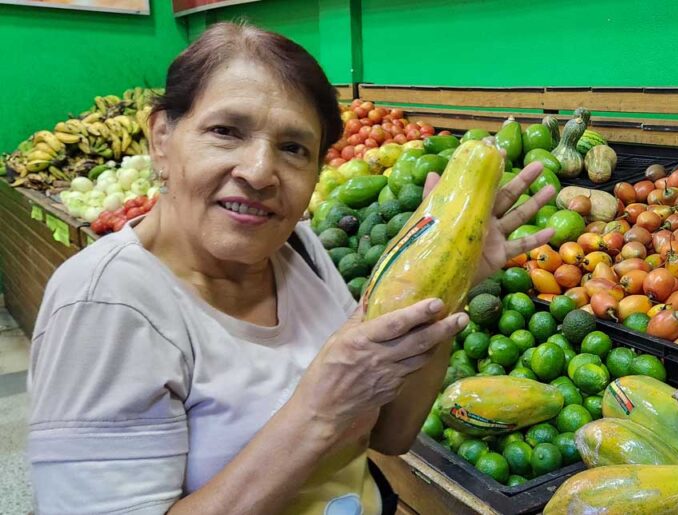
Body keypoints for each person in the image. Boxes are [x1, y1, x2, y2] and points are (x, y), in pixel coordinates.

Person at [26, 22, 553, 515]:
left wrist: (455, 275)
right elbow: (329, 418)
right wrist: (318, 413)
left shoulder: (297, 249)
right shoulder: (105, 303)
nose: (259, 171)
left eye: (294, 148)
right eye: (227, 131)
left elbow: (389, 435)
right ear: (162, 137)